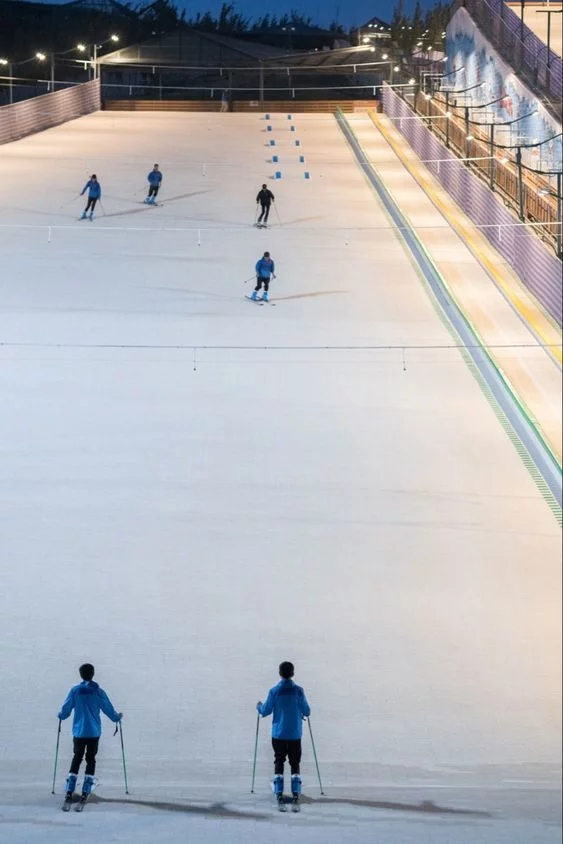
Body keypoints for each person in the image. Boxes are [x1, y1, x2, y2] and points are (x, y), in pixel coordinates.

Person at [58, 663, 122, 806]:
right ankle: (86, 788)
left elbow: (66, 709)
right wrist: (117, 718)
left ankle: (70, 788)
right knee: (91, 758)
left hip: (79, 732)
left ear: (81, 674)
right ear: (93, 674)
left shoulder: (75, 691)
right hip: (93, 732)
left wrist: (61, 716)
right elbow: (108, 708)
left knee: (77, 757)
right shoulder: (98, 692)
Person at [256, 661, 311, 806]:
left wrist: (259, 707)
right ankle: (296, 791)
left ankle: (279, 790)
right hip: (295, 734)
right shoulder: (299, 691)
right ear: (292, 673)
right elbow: (307, 710)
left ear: (280, 673)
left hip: (278, 734)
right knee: (295, 762)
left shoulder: (274, 691)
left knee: (279, 760)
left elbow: (266, 710)